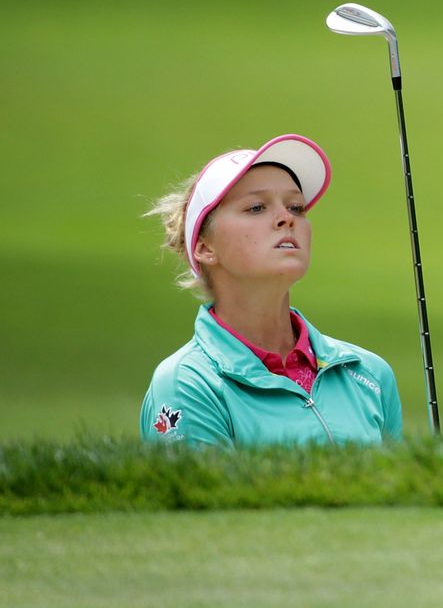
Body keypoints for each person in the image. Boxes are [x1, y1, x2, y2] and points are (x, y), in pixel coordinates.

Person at [140, 133, 402, 447]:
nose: (286, 218)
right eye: (256, 208)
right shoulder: (187, 383)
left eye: (296, 207)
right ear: (204, 247)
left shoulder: (369, 373)